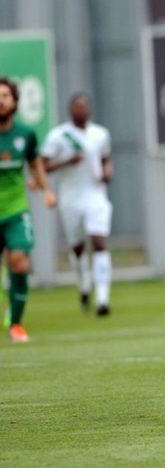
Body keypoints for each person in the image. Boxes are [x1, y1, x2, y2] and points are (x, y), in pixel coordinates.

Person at [41, 94, 114, 316]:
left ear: (90, 110)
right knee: (77, 247)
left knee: (99, 242)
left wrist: (108, 172)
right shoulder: (59, 136)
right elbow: (42, 166)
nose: (81, 110)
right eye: (76, 106)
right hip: (70, 197)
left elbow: (105, 159)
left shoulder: (100, 134)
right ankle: (84, 284)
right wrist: (66, 161)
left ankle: (103, 298)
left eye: (84, 106)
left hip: (95, 195)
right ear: (70, 110)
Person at [0, 76, 57, 342]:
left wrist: (46, 190)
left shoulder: (25, 134)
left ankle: (16, 325)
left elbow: (35, 164)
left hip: (15, 210)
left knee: (20, 262)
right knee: (10, 265)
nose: (0, 101)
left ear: (14, 101)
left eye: (5, 96)